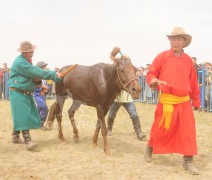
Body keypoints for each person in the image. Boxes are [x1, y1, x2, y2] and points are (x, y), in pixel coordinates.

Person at [144, 27, 200, 175]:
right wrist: (154, 79)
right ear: (170, 41)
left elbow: (193, 82)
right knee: (159, 128)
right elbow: (151, 73)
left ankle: (188, 160)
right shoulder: (162, 57)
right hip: (166, 101)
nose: (175, 42)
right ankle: (150, 148)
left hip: (183, 102)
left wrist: (196, 100)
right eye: (172, 39)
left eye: (178, 39)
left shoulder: (188, 61)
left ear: (184, 42)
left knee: (188, 131)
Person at [8, 41, 63, 150]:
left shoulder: (25, 61)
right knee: (23, 115)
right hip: (18, 92)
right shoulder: (21, 62)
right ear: (25, 52)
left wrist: (39, 85)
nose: (32, 52)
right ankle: (28, 141)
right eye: (30, 51)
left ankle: (15, 136)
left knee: (21, 114)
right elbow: (34, 71)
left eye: (32, 50)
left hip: (23, 91)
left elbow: (30, 76)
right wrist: (53, 74)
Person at [34, 61, 49, 131]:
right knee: (44, 108)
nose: (46, 68)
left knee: (38, 109)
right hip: (37, 95)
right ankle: (41, 124)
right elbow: (34, 86)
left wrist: (45, 89)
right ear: (40, 68)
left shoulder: (43, 76)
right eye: (44, 66)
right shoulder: (36, 76)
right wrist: (42, 88)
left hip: (42, 95)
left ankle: (35, 123)